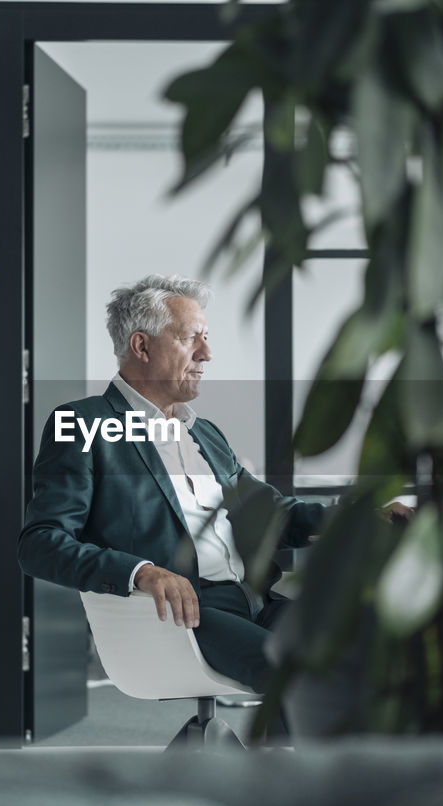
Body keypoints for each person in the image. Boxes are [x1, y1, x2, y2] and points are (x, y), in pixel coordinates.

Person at [18, 274, 335, 696]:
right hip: (182, 614)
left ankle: (282, 760)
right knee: (300, 677)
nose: (207, 353)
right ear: (141, 346)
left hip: (257, 602)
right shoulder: (82, 424)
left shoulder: (204, 433)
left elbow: (272, 513)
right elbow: (39, 543)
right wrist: (141, 572)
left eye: (206, 338)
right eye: (191, 339)